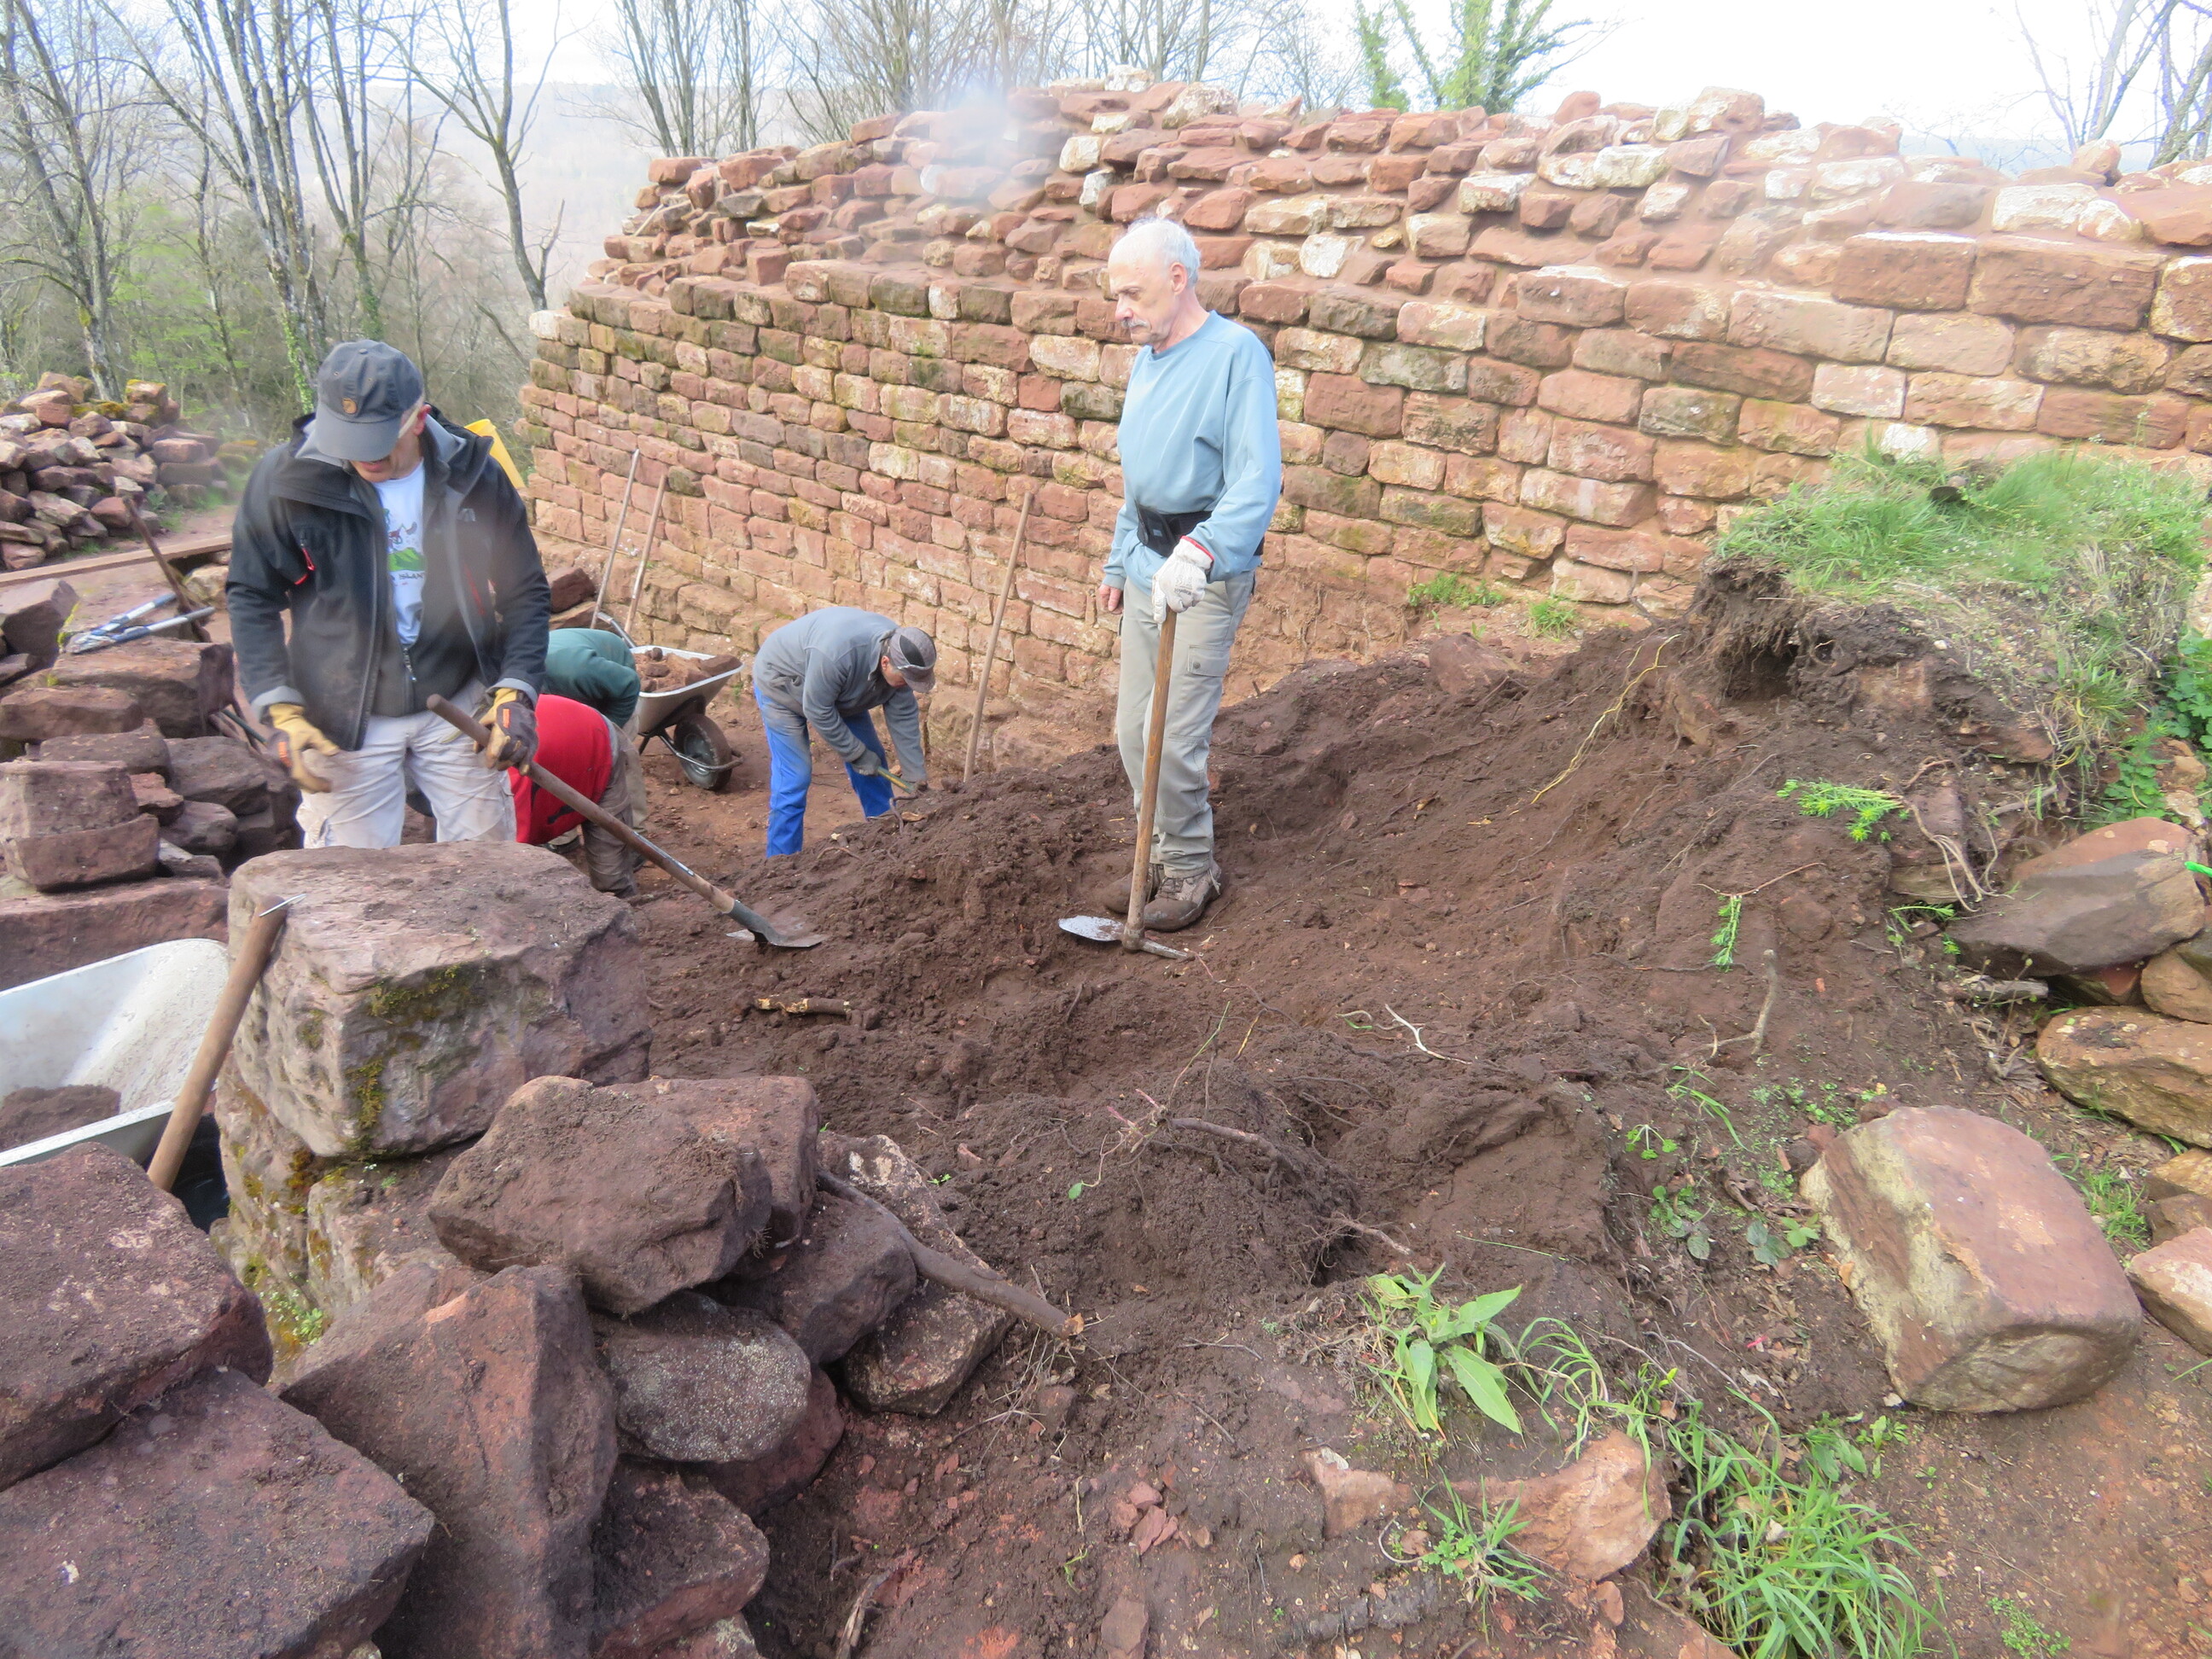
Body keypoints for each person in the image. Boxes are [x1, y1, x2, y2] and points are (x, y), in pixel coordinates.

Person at [229, 340, 549, 847]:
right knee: (351, 880)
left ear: (418, 419)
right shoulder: (286, 480)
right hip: (340, 714)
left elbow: (524, 589)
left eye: (376, 439)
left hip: (458, 700)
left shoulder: (473, 474)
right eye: (347, 438)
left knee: (488, 864)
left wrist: (516, 688)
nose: (361, 455)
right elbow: (251, 594)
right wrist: (279, 706)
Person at [1093, 217, 1283, 930]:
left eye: (1133, 293)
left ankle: (1192, 868)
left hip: (1202, 576)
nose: (1122, 311)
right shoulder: (1148, 358)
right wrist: (1120, 559)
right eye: (1116, 296)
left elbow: (1258, 479)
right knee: (1132, 731)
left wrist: (1202, 552)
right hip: (1147, 565)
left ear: (1178, 278)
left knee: (1172, 738)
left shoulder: (1236, 355)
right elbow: (1139, 483)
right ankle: (1157, 853)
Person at [751, 608, 934, 856]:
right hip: (782, 685)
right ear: (885, 662)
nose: (907, 686)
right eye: (906, 680)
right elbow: (818, 710)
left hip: (840, 692)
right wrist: (856, 753)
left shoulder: (900, 658)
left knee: (873, 762)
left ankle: (885, 837)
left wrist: (916, 778)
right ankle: (780, 862)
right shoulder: (837, 654)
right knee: (795, 777)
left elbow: (903, 717)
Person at [511, 692, 643, 896]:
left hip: (596, 737)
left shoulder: (500, 796)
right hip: (555, 747)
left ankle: (622, 898)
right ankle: (567, 843)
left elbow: (510, 862)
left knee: (611, 871)